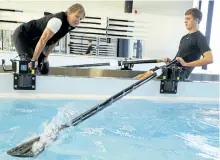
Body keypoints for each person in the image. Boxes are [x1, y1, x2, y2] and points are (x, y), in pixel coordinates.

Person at [135, 8, 213, 80]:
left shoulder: (200, 38)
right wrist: (170, 62)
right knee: (142, 75)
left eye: (188, 18)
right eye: (185, 19)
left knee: (146, 77)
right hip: (171, 68)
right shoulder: (184, 37)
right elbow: (179, 58)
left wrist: (186, 64)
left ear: (197, 20)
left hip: (180, 73)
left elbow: (209, 59)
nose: (185, 21)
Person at [12, 3, 85, 74]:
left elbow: (55, 40)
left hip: (35, 42)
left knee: (44, 69)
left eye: (80, 19)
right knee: (31, 67)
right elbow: (43, 40)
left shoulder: (70, 26)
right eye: (76, 16)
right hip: (23, 36)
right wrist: (34, 60)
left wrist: (45, 57)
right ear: (69, 12)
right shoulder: (57, 21)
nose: (78, 21)